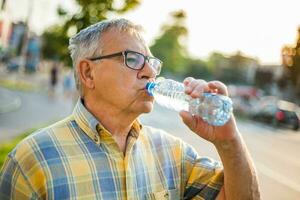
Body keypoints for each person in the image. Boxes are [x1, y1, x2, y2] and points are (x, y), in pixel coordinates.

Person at [0, 19, 260, 199]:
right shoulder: (31, 161)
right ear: (88, 73)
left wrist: (228, 140)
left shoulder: (173, 154)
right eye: (133, 59)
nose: (149, 72)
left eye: (151, 62)